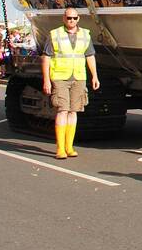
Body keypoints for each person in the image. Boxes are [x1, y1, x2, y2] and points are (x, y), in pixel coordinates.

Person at [40, 9, 99, 160]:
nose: (71, 20)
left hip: (79, 76)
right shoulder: (55, 34)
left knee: (74, 111)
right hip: (60, 77)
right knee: (62, 110)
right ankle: (60, 148)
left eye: (74, 18)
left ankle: (69, 146)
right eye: (69, 18)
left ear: (78, 19)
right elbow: (46, 58)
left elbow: (89, 56)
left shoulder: (85, 35)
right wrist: (46, 79)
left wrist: (94, 76)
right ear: (64, 18)